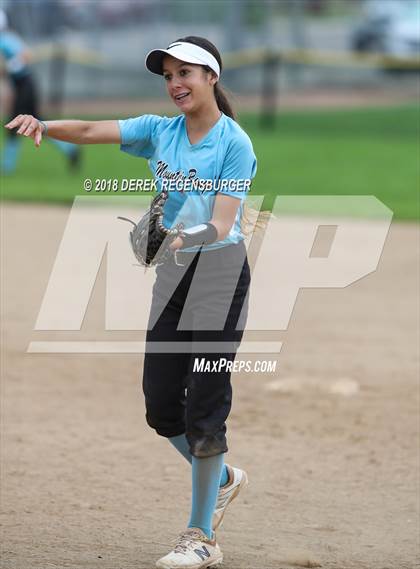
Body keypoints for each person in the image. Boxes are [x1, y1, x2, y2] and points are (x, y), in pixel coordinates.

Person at [5, 36, 257, 569]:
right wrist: (44, 125)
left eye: (185, 72)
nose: (174, 84)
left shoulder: (234, 142)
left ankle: (201, 536)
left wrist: (181, 238)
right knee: (162, 407)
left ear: (212, 76)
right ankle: (223, 480)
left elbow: (225, 224)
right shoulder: (159, 130)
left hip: (218, 275)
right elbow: (96, 130)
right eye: (168, 75)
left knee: (206, 406)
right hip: (174, 278)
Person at [0, 8, 80, 174]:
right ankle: (69, 149)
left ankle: (7, 167)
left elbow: (26, 56)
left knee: (16, 124)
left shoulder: (5, 40)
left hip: (25, 86)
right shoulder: (6, 39)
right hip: (23, 85)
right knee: (38, 124)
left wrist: (10, 66)